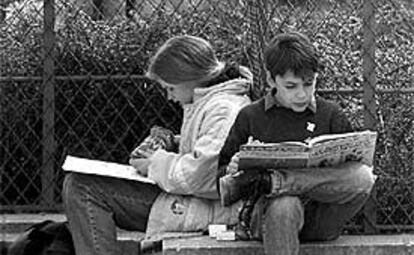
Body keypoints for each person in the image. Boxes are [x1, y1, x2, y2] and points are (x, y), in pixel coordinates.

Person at [62, 35, 253, 255]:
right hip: (191, 200)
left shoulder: (223, 108)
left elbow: (203, 176)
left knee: (83, 188)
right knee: (79, 183)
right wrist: (172, 143)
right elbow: (211, 151)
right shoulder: (211, 100)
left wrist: (153, 163)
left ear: (190, 78)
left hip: (206, 208)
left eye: (170, 88)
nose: (169, 97)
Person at [217, 32, 376, 255]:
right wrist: (233, 169)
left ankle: (275, 181)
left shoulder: (330, 114)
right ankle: (277, 187)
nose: (302, 94)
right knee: (285, 203)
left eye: (309, 84)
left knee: (362, 176)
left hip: (321, 217)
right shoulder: (251, 116)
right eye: (291, 86)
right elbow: (220, 180)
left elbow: (354, 175)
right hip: (269, 216)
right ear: (271, 80)